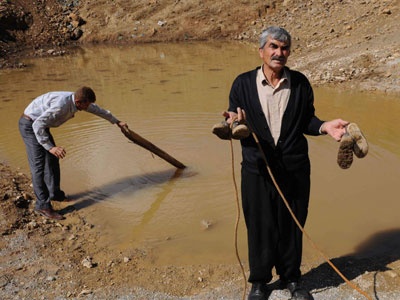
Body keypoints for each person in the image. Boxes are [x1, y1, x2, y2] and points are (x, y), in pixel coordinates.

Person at [219, 26, 349, 300]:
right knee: (259, 224)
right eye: (274, 47)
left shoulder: (300, 83)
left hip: (294, 168)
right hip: (257, 168)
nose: (280, 53)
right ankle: (259, 282)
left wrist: (325, 126)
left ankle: (292, 279)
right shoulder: (242, 83)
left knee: (293, 223)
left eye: (285, 48)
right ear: (261, 51)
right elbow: (234, 116)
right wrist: (234, 122)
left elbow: (306, 121)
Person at [18, 86, 127, 220]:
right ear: (78, 102)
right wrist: (50, 147)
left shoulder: (78, 100)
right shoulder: (61, 105)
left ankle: (55, 194)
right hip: (30, 125)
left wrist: (116, 121)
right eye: (87, 105)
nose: (89, 108)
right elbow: (37, 125)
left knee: (52, 159)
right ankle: (42, 206)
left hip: (41, 125)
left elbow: (97, 110)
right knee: (38, 166)